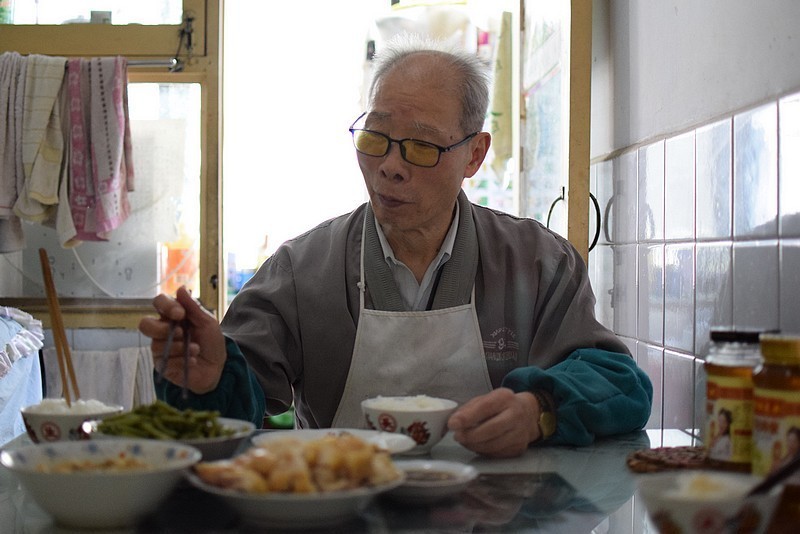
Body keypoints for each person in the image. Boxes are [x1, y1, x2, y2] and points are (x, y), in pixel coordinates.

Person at [139, 35, 653, 458]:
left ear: (474, 155)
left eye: (422, 146)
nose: (389, 164)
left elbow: (621, 383)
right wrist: (207, 381)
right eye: (375, 137)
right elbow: (236, 406)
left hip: (499, 512)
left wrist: (540, 410)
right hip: (345, 508)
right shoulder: (302, 272)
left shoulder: (537, 263)